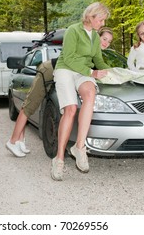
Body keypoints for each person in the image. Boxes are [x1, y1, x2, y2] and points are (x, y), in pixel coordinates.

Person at [6, 28, 114, 157]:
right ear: (97, 37)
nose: (106, 43)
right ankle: (12, 141)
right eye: (104, 39)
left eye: (109, 41)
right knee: (30, 105)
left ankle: (19, 140)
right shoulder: (86, 47)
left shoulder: (95, 54)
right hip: (48, 70)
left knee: (30, 105)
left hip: (58, 73)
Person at [51, 2, 110, 181]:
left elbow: (98, 60)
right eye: (100, 20)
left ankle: (79, 147)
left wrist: (112, 73)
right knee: (70, 109)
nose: (102, 24)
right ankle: (59, 158)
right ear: (90, 17)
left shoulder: (94, 36)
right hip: (65, 69)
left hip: (82, 72)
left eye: (103, 20)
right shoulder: (73, 30)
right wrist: (92, 72)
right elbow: (68, 58)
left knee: (90, 92)